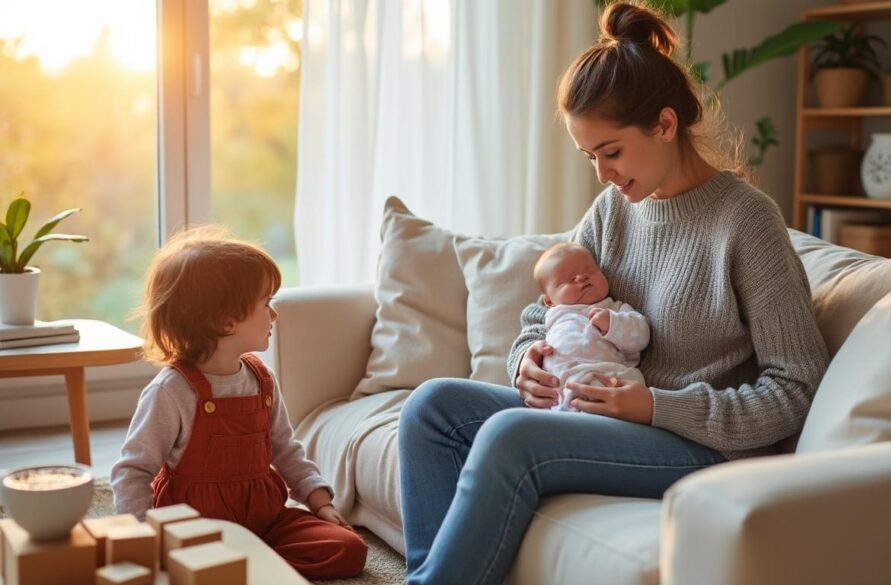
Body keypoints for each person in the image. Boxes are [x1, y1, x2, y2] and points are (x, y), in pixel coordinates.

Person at [397, 2, 830, 584]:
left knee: (511, 435)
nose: (601, 174)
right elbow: (540, 312)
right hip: (607, 419)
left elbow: (797, 389)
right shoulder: (613, 211)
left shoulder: (747, 223)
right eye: (589, 156)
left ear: (666, 125)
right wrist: (527, 357)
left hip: (698, 443)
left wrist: (659, 405)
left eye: (612, 152)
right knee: (432, 408)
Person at [111, 226, 367, 579]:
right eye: (267, 304)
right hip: (196, 526)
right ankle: (225, 567)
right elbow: (133, 470)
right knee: (186, 562)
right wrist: (142, 535)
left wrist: (318, 501)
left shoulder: (262, 378)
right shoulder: (172, 391)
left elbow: (285, 449)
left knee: (348, 549)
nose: (275, 315)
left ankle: (231, 570)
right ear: (225, 321)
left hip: (266, 519)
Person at [532, 241, 649, 411]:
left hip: (606, 378)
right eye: (568, 280)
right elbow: (532, 325)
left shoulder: (614, 309)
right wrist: (534, 351)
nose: (581, 277)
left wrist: (612, 324)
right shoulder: (554, 316)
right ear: (549, 301)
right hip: (559, 387)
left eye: (590, 271)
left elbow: (641, 336)